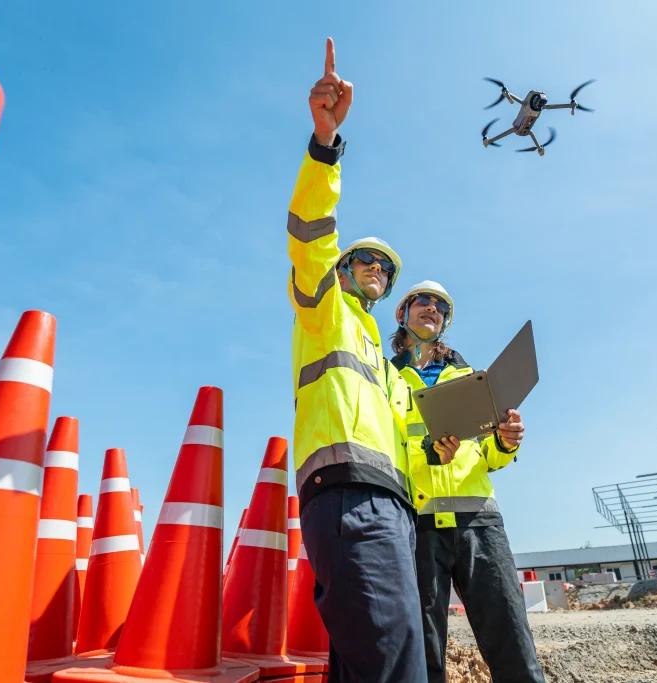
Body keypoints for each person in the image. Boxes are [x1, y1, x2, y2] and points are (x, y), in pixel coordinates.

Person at [286, 37, 427, 683]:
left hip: (390, 503)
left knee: (368, 657)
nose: (377, 268)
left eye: (388, 268)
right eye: (366, 259)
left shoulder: (379, 350)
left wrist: (450, 444)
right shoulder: (324, 303)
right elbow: (312, 229)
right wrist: (326, 144)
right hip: (347, 495)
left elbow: (409, 433)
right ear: (345, 268)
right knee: (395, 656)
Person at [389, 280, 546, 683]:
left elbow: (489, 456)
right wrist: (428, 453)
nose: (432, 307)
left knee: (512, 643)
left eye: (440, 305)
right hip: (417, 526)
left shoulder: (472, 378)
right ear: (401, 313)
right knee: (424, 654)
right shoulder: (384, 381)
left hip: (479, 524)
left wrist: (506, 442)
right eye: (422, 300)